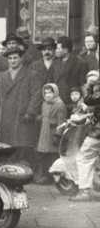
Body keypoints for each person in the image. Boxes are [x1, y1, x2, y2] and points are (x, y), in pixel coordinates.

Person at [0, 44, 42, 161]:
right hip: (5, 117)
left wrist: (30, 112)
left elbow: (36, 95)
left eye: (15, 58)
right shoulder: (1, 76)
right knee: (6, 147)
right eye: (10, 58)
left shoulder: (31, 74)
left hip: (22, 116)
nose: (12, 61)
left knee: (21, 146)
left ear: (21, 59)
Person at [70, 71, 100, 201]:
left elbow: (89, 100)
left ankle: (84, 191)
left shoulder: (95, 89)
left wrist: (89, 86)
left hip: (98, 131)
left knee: (84, 157)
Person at [37, 82, 67, 182]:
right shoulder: (44, 103)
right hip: (44, 131)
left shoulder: (59, 104)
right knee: (43, 154)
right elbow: (44, 116)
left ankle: (53, 177)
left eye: (50, 92)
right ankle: (45, 175)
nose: (47, 95)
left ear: (55, 92)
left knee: (52, 155)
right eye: (45, 93)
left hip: (52, 132)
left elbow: (61, 121)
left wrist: (58, 135)